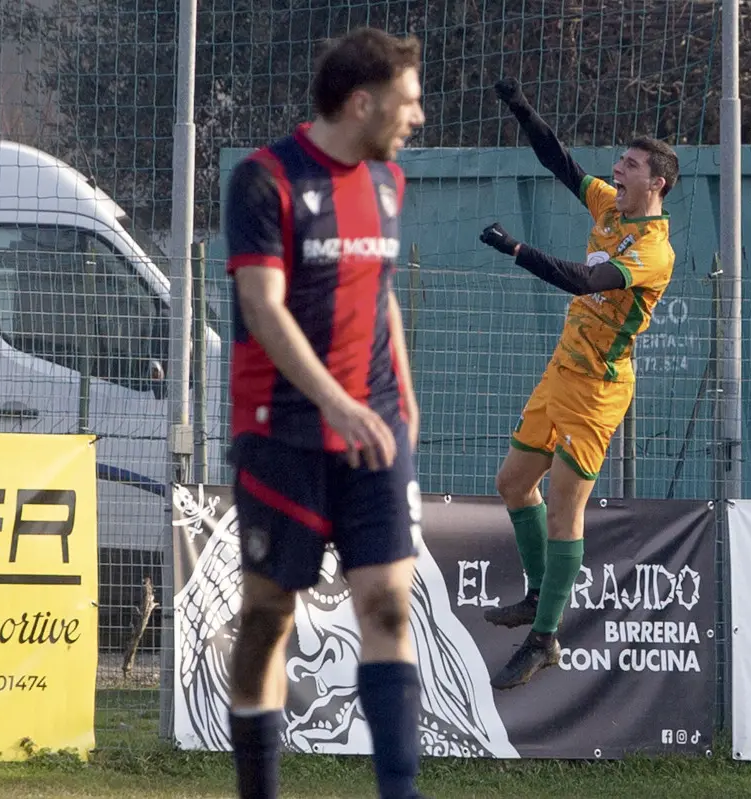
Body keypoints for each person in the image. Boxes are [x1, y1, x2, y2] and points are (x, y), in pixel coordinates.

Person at [223, 26, 429, 799]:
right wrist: (335, 402)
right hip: (283, 434)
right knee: (269, 616)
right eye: (408, 103)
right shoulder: (263, 180)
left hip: (372, 431)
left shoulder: (388, 183)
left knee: (388, 603)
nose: (417, 117)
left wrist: (401, 404)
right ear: (361, 101)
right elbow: (262, 308)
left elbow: (383, 300)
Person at [477, 77, 680, 690]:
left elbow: (583, 283)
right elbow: (559, 161)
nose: (617, 169)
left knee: (566, 506)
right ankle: (539, 593)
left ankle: (545, 637)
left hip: (597, 389)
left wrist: (517, 250)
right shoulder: (608, 207)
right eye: (621, 161)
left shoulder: (654, 252)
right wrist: (520, 105)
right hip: (561, 371)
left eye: (631, 165)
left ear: (657, 184)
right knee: (513, 483)